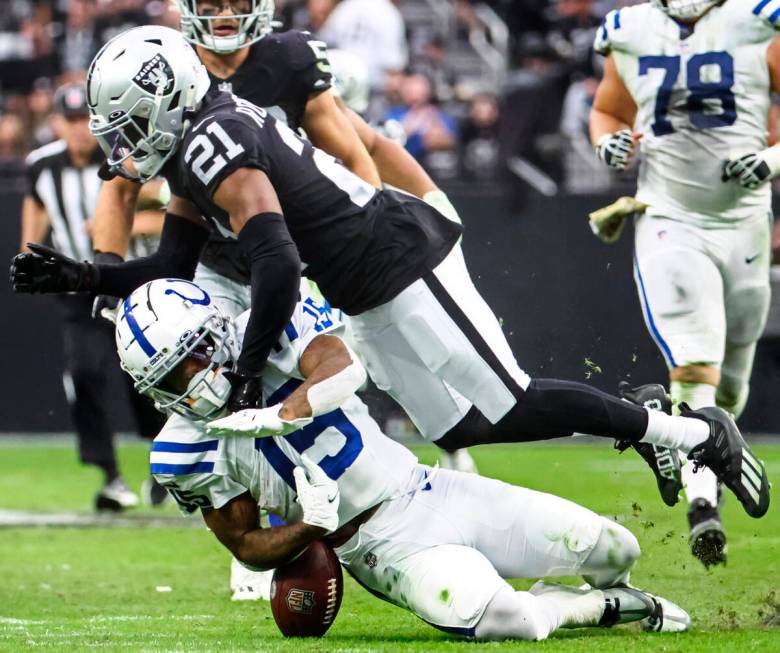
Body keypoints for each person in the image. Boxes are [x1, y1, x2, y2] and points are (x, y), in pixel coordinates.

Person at [10, 25, 771, 525]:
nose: (122, 143)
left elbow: (275, 261)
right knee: (467, 425)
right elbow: (173, 264)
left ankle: (690, 430)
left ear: (169, 98)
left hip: (401, 257)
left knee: (509, 397)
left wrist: (245, 377)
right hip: (363, 284)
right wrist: (82, 276)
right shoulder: (190, 148)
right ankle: (647, 421)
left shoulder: (212, 141)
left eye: (131, 122)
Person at [118, 277, 692, 640]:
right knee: (509, 620)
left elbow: (343, 366)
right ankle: (596, 609)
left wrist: (280, 412)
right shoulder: (181, 452)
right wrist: (309, 526)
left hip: (427, 488)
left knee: (618, 547)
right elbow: (246, 546)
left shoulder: (265, 333)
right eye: (171, 377)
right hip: (376, 546)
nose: (192, 383)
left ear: (216, 334)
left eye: (192, 357)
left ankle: (586, 589)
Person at [588, 0, 779, 567]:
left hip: (744, 220)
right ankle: (703, 503)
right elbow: (607, 110)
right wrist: (608, 142)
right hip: (668, 215)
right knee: (697, 364)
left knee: (730, 386)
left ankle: (663, 427)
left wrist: (773, 158)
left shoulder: (758, 19)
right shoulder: (631, 29)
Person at [19, 83, 165, 510]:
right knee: (84, 372)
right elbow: (36, 215)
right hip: (79, 289)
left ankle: (166, 463)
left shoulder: (130, 156)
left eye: (84, 120)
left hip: (133, 282)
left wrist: (129, 227)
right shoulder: (41, 166)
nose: (80, 131)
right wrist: (30, 257)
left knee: (148, 378)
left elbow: (175, 209)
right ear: (56, 124)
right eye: (70, 121)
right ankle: (110, 475)